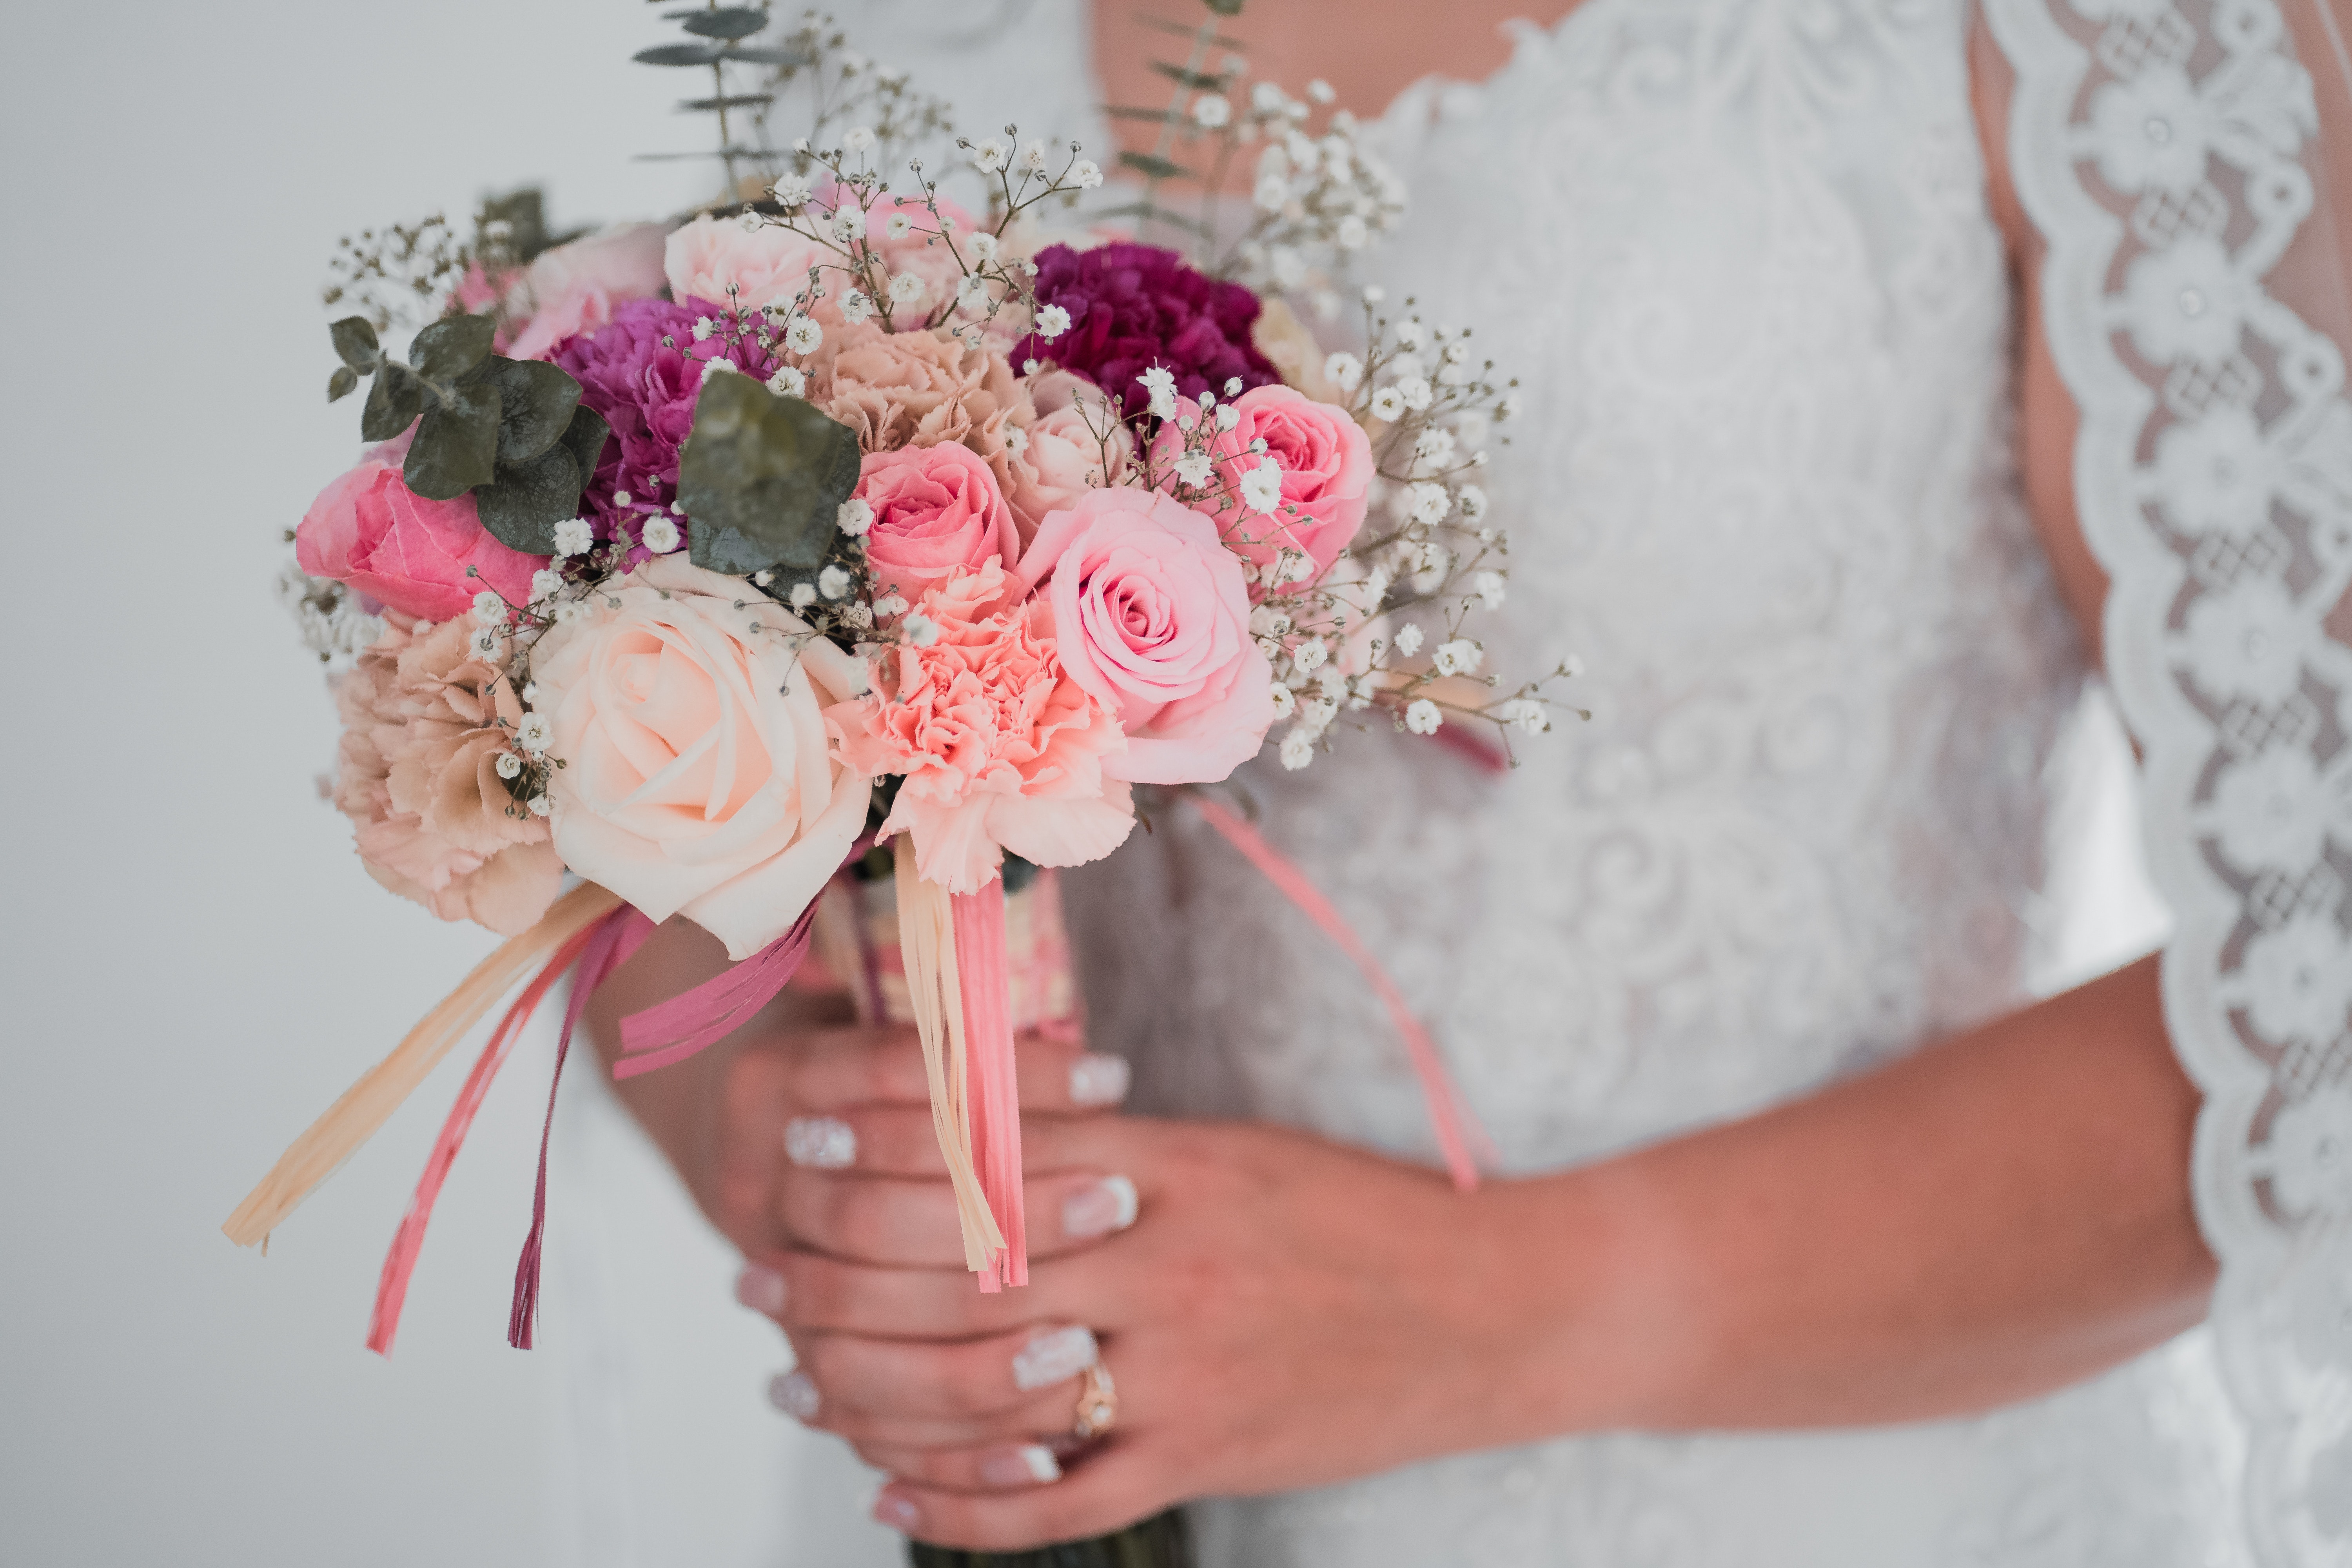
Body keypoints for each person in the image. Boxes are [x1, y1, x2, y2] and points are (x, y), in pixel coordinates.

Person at [583, 0, 2352, 1561]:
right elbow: (638, 727)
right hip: (1032, 1483)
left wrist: (1494, 1312)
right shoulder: (842, 39)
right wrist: (781, 1129)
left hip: (1840, 1487)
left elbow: (2322, 978)